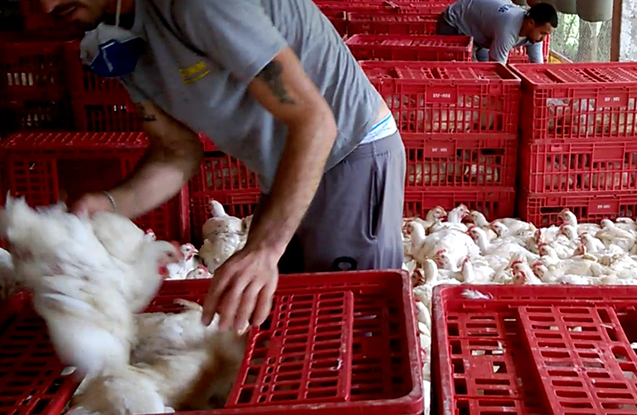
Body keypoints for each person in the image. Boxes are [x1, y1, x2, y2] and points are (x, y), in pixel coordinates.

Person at [39, 0, 406, 334]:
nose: (46, 5)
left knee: (352, 332)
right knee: (291, 327)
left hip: (348, 154)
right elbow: (176, 153)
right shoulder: (119, 40)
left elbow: (315, 122)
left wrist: (264, 250)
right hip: (287, 174)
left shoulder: (198, 6)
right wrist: (109, 204)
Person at [436, 0, 557, 64]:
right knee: (461, 70)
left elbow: (537, 67)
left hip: (481, 33)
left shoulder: (534, 34)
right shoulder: (508, 29)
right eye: (543, 33)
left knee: (482, 71)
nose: (543, 39)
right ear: (531, 23)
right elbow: (497, 68)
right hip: (454, 23)